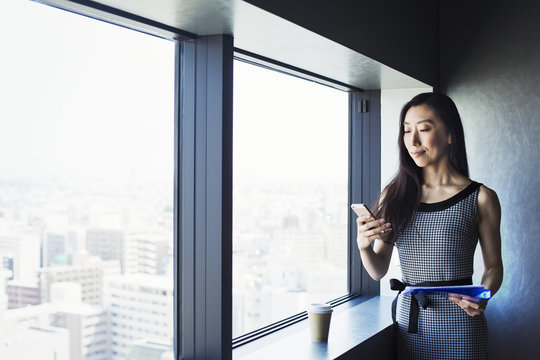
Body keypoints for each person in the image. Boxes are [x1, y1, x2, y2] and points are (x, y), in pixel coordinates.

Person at [356, 92, 503, 359]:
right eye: (406, 131)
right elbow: (378, 270)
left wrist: (484, 295)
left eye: (423, 129)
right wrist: (364, 246)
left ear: (450, 135)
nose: (413, 141)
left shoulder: (481, 198)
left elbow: (494, 266)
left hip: (463, 324)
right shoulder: (396, 194)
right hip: (410, 325)